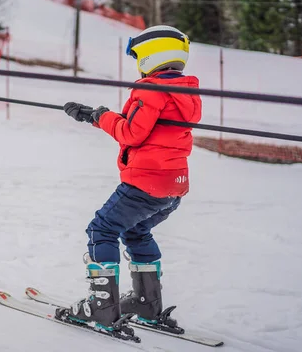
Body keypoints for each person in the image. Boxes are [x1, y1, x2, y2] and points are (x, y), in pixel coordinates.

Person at [61, 25, 202, 331]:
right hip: (172, 188)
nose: (138, 64)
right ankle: (146, 303)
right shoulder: (185, 92)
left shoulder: (150, 89)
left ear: (151, 55)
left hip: (144, 183)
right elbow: (145, 128)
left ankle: (102, 308)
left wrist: (101, 116)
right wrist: (94, 116)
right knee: (136, 232)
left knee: (102, 229)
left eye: (138, 56)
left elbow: (131, 132)